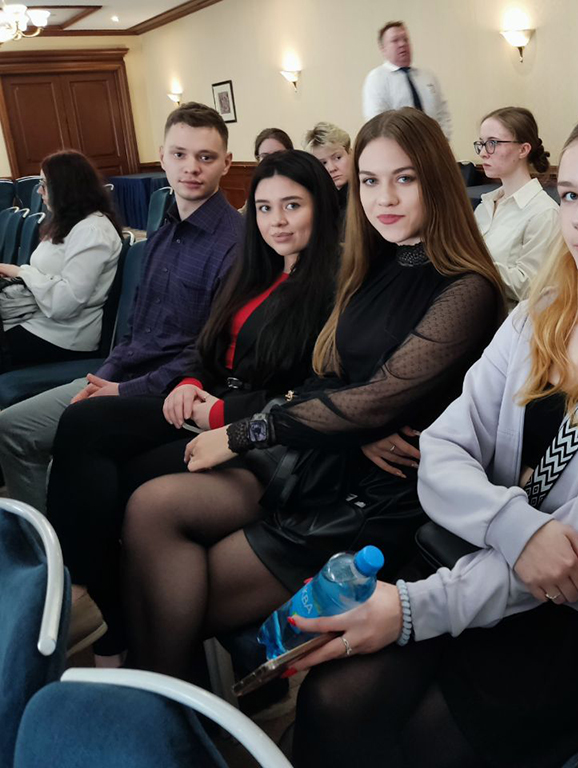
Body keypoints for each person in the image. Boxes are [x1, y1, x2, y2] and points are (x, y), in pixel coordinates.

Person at [285, 103, 578, 768]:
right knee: (332, 699)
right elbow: (442, 449)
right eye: (570, 195)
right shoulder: (537, 316)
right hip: (476, 554)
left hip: (574, 616)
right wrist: (515, 527)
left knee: (422, 739)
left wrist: (408, 610)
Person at [119, 107, 504, 682]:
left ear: (438, 181)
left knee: (170, 599)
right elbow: (327, 376)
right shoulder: (374, 263)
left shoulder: (466, 287)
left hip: (379, 498)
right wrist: (350, 427)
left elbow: (380, 396)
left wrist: (243, 432)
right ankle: (161, 701)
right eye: (369, 180)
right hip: (329, 456)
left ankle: (160, 702)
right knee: (150, 513)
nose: (383, 198)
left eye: (404, 178)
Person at [45, 149, 340, 663]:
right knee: (83, 423)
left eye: (292, 205)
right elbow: (208, 347)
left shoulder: (332, 285)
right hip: (206, 402)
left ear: (321, 206)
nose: (277, 220)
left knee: (124, 479)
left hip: (254, 432)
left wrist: (219, 413)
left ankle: (115, 626)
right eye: (265, 207)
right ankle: (92, 601)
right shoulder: (258, 269)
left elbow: (304, 390)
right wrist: (187, 381)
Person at [0, 101, 241, 514]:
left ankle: (66, 540)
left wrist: (119, 390)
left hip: (172, 390)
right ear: (162, 157)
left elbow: (208, 351)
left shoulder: (234, 242)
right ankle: (41, 537)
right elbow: (135, 329)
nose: (191, 167)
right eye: (180, 154)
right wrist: (105, 377)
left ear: (227, 163)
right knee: (9, 428)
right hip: (124, 374)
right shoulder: (163, 232)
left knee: (74, 432)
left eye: (206, 157)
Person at [0, 150, 122, 368]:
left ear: (66, 187)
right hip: (39, 321)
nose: (39, 190)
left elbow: (65, 303)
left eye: (44, 184)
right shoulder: (69, 223)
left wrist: (22, 272)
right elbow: (50, 277)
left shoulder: (92, 231)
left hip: (64, 337)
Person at [473, 107, 560, 306]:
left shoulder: (544, 213)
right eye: (481, 144)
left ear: (523, 150)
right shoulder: (485, 205)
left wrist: (471, 262)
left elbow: (531, 287)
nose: (483, 153)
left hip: (507, 319)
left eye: (492, 143)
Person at [363, 21, 452, 140]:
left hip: (435, 143)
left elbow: (442, 112)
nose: (402, 44)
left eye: (405, 39)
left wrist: (442, 139)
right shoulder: (376, 78)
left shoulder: (427, 75)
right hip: (400, 145)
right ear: (383, 48)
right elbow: (377, 122)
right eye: (395, 40)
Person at [304, 122, 351, 226]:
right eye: (323, 163)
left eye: (337, 158)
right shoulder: (318, 201)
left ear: (350, 154)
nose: (332, 168)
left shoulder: (365, 192)